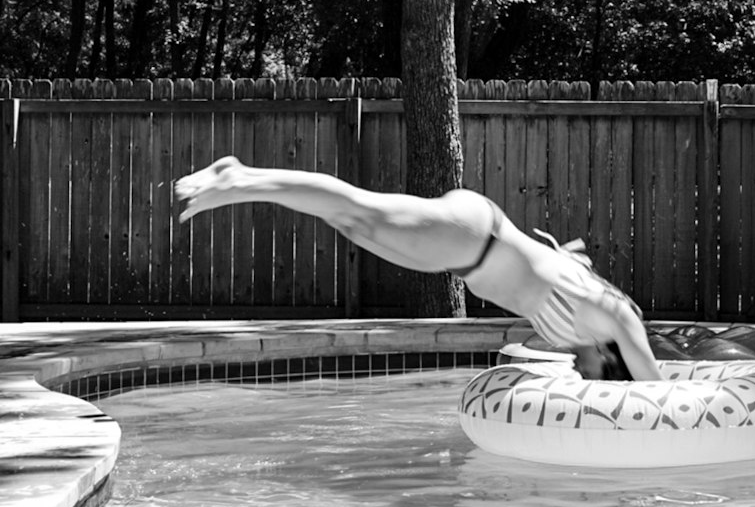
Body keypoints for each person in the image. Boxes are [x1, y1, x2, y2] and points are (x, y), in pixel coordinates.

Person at [174, 156, 665, 382]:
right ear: (613, 362)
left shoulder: (581, 335)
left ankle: (245, 181)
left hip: (461, 255)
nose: (582, 374)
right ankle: (237, 178)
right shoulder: (617, 319)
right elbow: (657, 389)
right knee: (360, 210)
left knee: (353, 227)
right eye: (597, 376)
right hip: (474, 236)